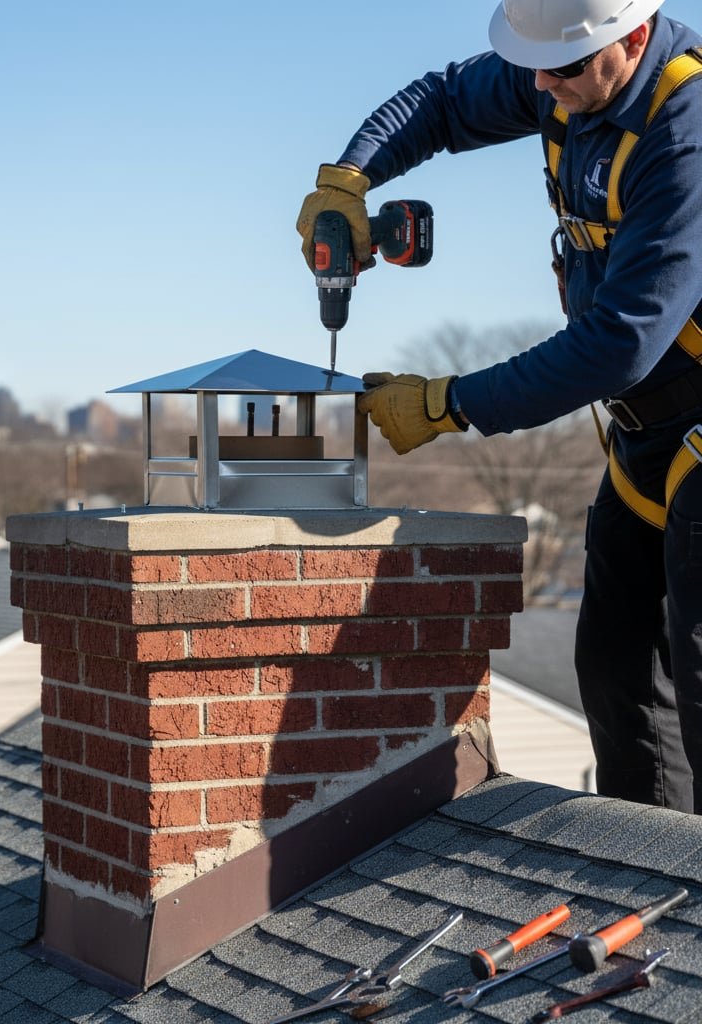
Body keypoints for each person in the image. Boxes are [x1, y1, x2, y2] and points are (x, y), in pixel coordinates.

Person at [297, 0, 702, 813]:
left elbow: (621, 342)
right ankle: (654, 883)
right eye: (536, 69)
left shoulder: (685, 126)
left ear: (631, 39)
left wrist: (450, 404)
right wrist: (351, 175)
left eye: (565, 71)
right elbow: (443, 101)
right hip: (643, 437)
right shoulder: (560, 69)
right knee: (618, 674)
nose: (543, 88)